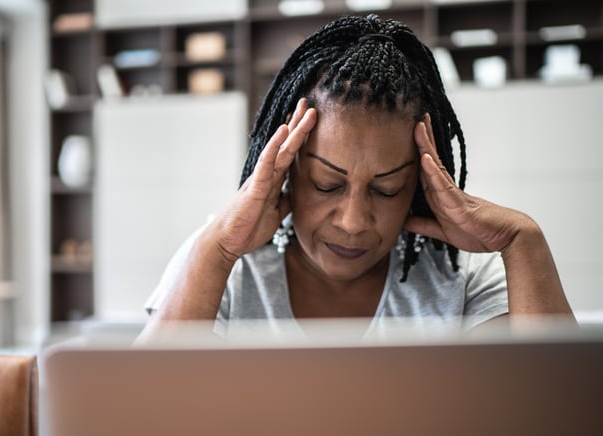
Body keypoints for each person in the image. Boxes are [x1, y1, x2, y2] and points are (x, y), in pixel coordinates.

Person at [139, 15, 573, 341]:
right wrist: (216, 251)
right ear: (287, 170)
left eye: (386, 190)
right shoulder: (225, 261)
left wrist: (523, 241)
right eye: (327, 184)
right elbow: (140, 419)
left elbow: (560, 423)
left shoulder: (462, 275)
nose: (353, 221)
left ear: (420, 185)